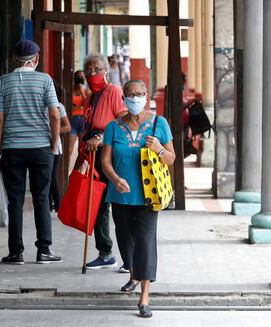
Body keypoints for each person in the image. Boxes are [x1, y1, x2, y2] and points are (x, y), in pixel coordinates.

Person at [101, 80, 175, 318]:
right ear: (123, 97)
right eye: (130, 94)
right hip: (120, 195)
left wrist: (159, 149)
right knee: (125, 240)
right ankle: (132, 273)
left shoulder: (158, 124)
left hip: (148, 196)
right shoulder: (113, 127)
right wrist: (114, 179)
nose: (135, 98)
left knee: (144, 241)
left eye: (139, 94)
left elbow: (171, 159)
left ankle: (144, 296)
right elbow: (105, 161)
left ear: (147, 96)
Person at [0, 40, 62, 265]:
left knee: (15, 201)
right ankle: (44, 251)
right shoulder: (45, 80)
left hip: (12, 149)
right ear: (37, 59)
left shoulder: (3, 82)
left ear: (14, 58)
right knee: (42, 198)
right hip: (41, 148)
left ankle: (16, 253)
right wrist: (53, 143)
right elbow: (54, 114)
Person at [75, 52, 128, 270]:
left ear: (106, 71)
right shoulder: (90, 97)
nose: (93, 73)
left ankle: (129, 258)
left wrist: (101, 137)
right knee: (96, 205)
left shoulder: (113, 91)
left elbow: (123, 123)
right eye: (89, 69)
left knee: (117, 207)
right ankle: (105, 252)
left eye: (98, 69)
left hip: (111, 157)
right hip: (93, 157)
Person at [49, 80, 71, 212]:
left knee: (51, 177)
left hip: (56, 148)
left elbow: (67, 127)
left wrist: (54, 130)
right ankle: (49, 205)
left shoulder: (59, 107)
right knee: (46, 178)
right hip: (43, 146)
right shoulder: (40, 104)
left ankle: (58, 205)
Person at [68, 70, 89, 161]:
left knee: (81, 150)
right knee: (69, 149)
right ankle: (65, 171)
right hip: (72, 121)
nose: (81, 79)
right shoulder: (70, 91)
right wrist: (79, 107)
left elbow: (86, 104)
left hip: (82, 122)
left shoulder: (85, 91)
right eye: (79, 77)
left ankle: (77, 173)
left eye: (83, 77)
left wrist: (81, 91)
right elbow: (68, 107)